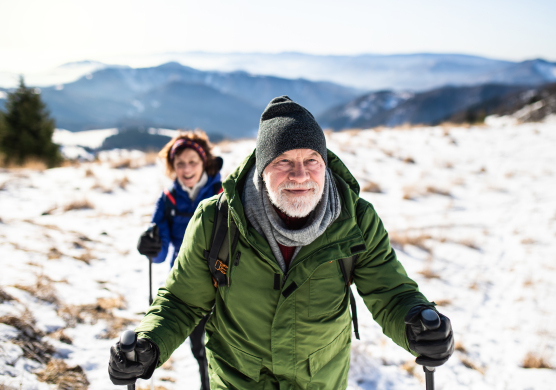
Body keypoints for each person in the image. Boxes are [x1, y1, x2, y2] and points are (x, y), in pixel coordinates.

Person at [109, 96, 454, 389]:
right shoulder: (218, 220)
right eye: (284, 161)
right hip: (237, 379)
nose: (300, 175)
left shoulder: (355, 220)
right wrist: (149, 343)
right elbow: (182, 301)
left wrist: (417, 324)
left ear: (325, 164)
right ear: (262, 169)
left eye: (311, 161)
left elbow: (391, 292)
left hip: (318, 381)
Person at [135, 131, 222, 390]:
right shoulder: (168, 199)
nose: (186, 169)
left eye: (192, 162)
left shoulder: (223, 193)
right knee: (200, 348)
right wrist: (150, 245)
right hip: (186, 282)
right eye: (180, 163)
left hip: (224, 280)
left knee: (223, 348)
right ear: (172, 166)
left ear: (204, 162)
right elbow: (160, 253)